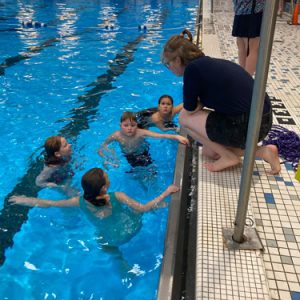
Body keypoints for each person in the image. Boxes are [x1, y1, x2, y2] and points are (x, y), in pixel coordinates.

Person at [161, 29, 281, 174]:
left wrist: (197, 105)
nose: (170, 68)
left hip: (248, 126)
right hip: (264, 120)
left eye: (168, 64)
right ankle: (263, 152)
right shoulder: (207, 63)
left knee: (183, 118)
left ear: (178, 60)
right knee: (209, 152)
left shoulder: (192, 71)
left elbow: (190, 109)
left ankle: (228, 157)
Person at [9, 167, 179, 246]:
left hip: (113, 240)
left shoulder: (79, 202)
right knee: (140, 209)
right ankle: (160, 204)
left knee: (100, 237)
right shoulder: (118, 196)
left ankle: (119, 261)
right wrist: (166, 191)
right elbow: (142, 208)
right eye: (107, 177)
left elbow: (50, 204)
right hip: (133, 228)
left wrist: (25, 199)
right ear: (104, 187)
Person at [98, 112, 189, 168]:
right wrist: (107, 158)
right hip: (128, 155)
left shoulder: (141, 133)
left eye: (133, 125)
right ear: (120, 125)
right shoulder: (116, 135)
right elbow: (102, 146)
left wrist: (177, 137)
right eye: (126, 125)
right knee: (137, 173)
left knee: (151, 171)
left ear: (137, 125)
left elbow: (161, 135)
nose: (129, 128)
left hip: (143, 153)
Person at [232, 0, 265, 76]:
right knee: (253, 49)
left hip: (239, 12)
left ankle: (242, 79)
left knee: (242, 47)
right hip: (254, 13)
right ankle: (247, 81)